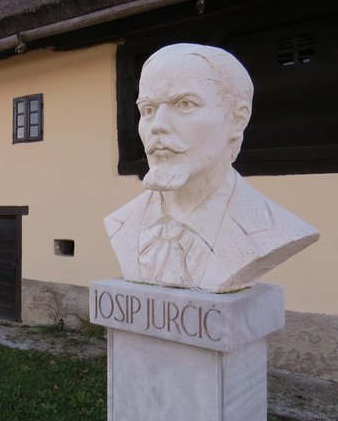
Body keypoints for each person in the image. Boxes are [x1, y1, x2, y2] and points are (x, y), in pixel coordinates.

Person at [105, 43, 318, 293]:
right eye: (148, 109)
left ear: (238, 119)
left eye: (185, 104)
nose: (157, 126)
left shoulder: (276, 229)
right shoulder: (121, 223)